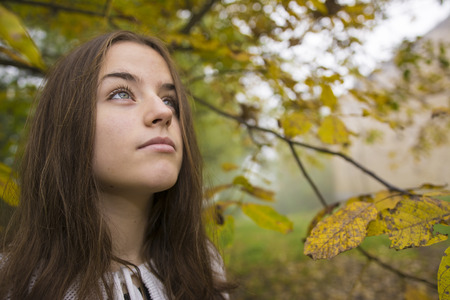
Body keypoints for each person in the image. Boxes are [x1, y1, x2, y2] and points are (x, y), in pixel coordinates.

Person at [0, 30, 234, 300]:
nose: (164, 111)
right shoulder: (11, 285)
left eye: (169, 99)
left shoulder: (205, 267)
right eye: (122, 94)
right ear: (66, 126)